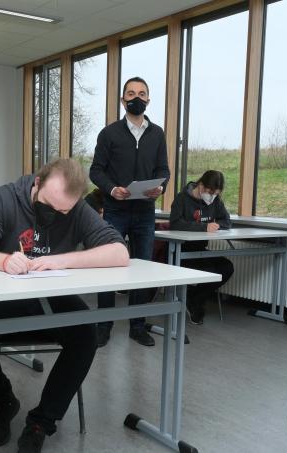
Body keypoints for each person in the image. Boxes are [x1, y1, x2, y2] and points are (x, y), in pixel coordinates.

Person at [0, 159, 128, 453]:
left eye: (64, 211)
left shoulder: (76, 208)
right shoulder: (4, 198)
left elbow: (119, 252)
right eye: (49, 204)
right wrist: (4, 261)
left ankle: (42, 422)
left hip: (52, 298)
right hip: (4, 295)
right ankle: (3, 402)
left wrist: (62, 260)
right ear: (36, 183)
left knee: (86, 335)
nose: (55, 214)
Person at [89, 76, 170, 347]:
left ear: (148, 99)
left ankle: (138, 325)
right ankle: (103, 325)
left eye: (142, 93)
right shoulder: (109, 133)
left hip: (145, 212)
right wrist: (112, 190)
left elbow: (163, 171)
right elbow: (96, 170)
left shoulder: (157, 134)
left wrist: (161, 188)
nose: (137, 97)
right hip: (115, 210)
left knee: (142, 269)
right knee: (108, 268)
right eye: (131, 93)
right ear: (123, 100)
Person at [169, 170, 234, 324]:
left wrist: (217, 225)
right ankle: (195, 300)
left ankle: (194, 297)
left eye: (216, 194)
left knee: (227, 267)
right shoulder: (181, 199)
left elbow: (226, 221)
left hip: (200, 251)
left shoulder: (215, 201)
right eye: (210, 193)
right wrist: (204, 227)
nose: (211, 197)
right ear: (201, 185)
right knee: (210, 270)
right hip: (182, 251)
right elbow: (175, 223)